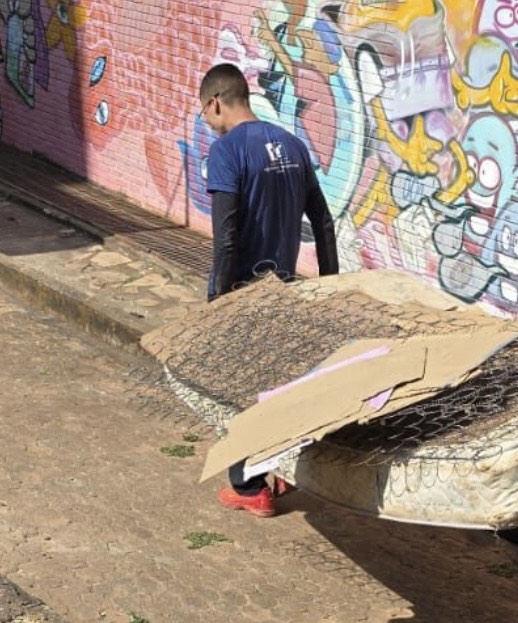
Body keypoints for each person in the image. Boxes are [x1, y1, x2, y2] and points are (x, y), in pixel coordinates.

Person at [199, 62, 340, 518]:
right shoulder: (294, 145)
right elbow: (323, 221)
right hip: (283, 290)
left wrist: (219, 300)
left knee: (238, 395)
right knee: (274, 388)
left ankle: (250, 486)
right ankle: (277, 472)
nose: (207, 121)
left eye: (205, 112)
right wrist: (329, 285)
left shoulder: (227, 152)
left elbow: (226, 237)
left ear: (215, 102)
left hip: (242, 292)